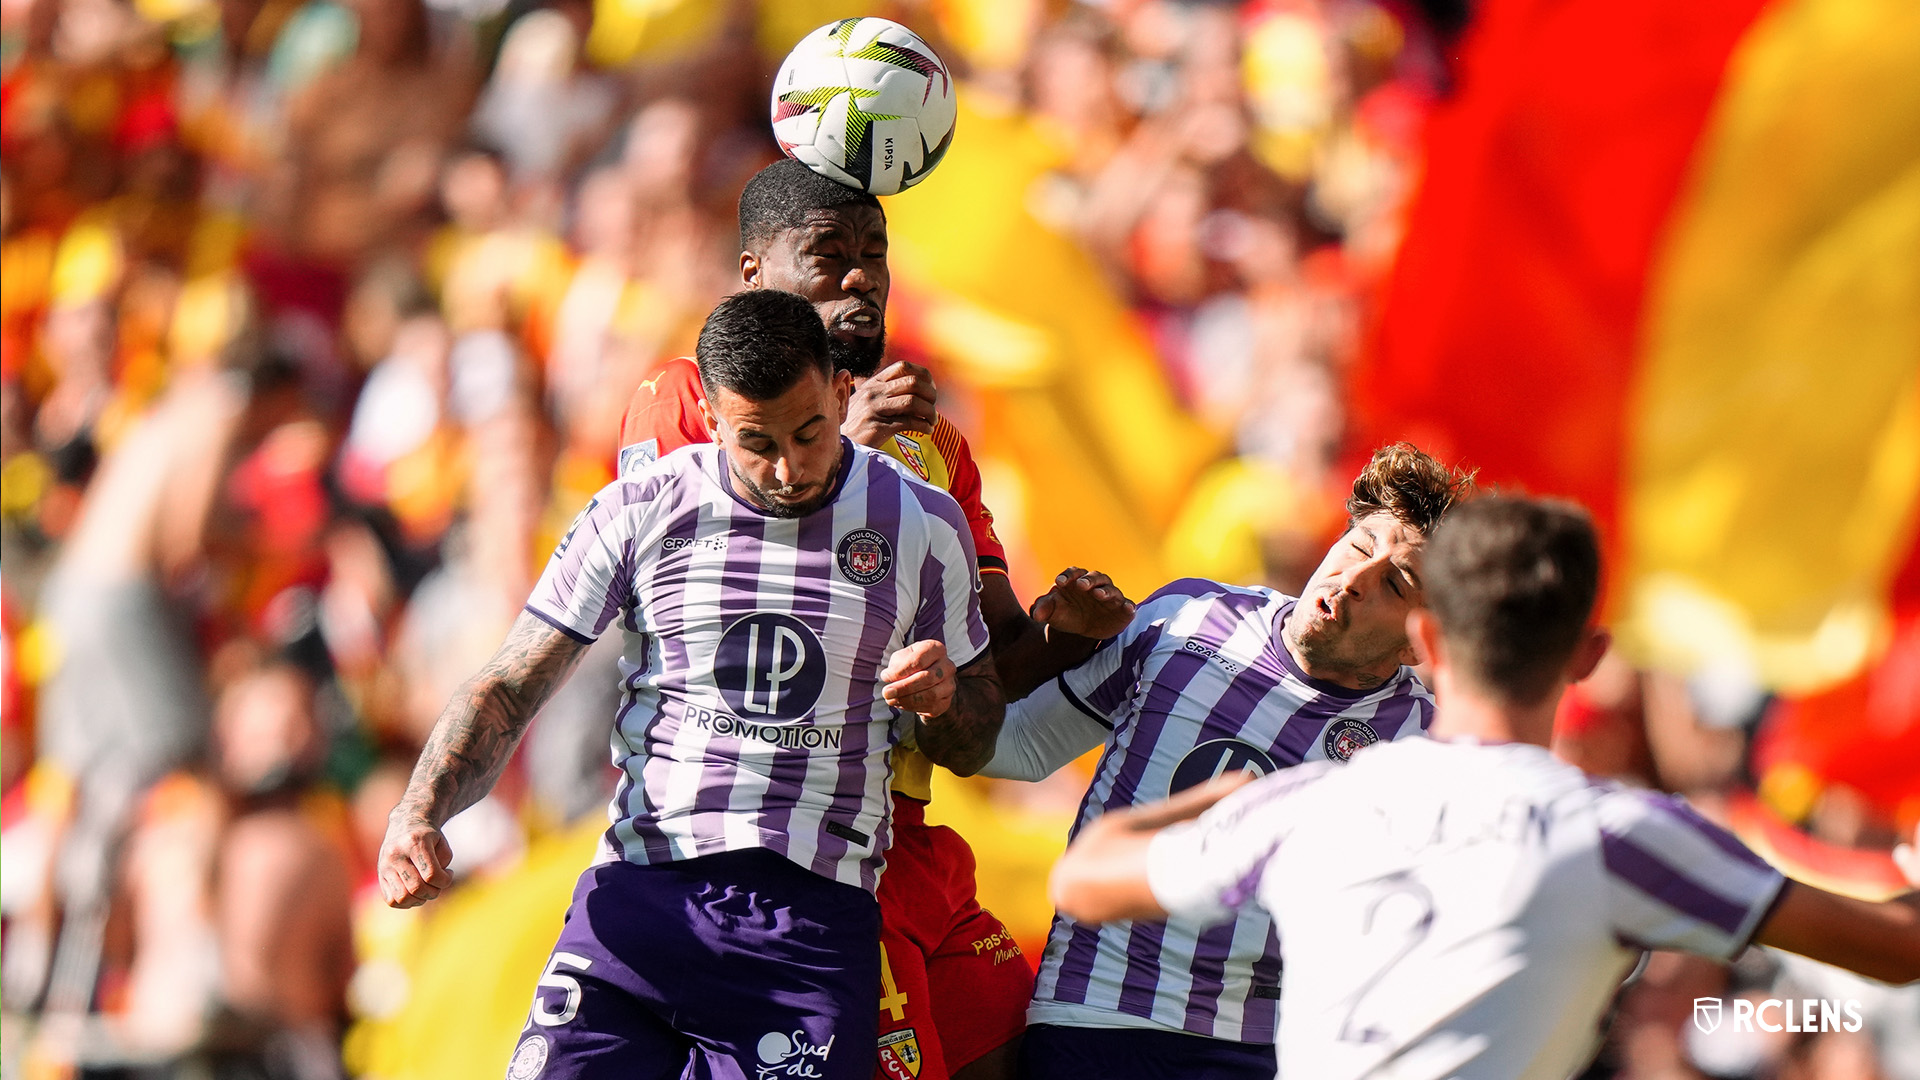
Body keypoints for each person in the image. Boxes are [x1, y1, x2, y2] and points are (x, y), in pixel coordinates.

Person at [1049, 496, 1920, 1080]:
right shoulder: (1621, 838)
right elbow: (1896, 950)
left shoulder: (1307, 806)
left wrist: (1210, 800)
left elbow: (1085, 877)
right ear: (1587, 660)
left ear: (1426, 636)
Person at [377, 289, 1006, 1079]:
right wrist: (419, 810)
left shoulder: (921, 523)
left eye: (810, 433)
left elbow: (979, 733)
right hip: (640, 899)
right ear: (710, 417)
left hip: (805, 927)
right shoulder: (639, 511)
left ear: (842, 394)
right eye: (757, 442)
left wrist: (946, 699)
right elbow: (510, 685)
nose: (788, 467)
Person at [617, 157, 1137, 1080]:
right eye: (826, 258)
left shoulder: (932, 445)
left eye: (874, 255)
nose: (859, 278)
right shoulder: (688, 399)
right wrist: (843, 451)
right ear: (755, 275)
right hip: (788, 848)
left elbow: (989, 671)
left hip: (915, 837)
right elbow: (700, 603)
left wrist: (1062, 632)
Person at [976, 442, 1474, 1079]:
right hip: (1092, 1018)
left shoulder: (1426, 746)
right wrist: (940, 685)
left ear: (1421, 640)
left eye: (1395, 583)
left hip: (1259, 1054)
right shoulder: (1188, 618)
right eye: (1358, 545)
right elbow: (1016, 747)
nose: (1354, 579)